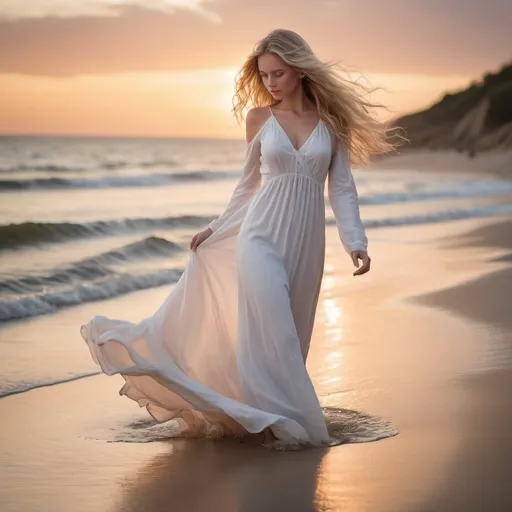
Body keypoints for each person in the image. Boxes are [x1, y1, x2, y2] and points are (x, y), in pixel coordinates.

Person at [80, 28, 395, 449]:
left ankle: (267, 419)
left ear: (299, 71)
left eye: (278, 73)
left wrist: (356, 240)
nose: (271, 83)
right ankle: (294, 429)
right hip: (259, 238)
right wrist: (216, 226)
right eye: (264, 76)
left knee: (292, 336)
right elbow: (248, 186)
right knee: (276, 332)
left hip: (306, 245)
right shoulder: (260, 120)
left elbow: (341, 188)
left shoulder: (330, 125)